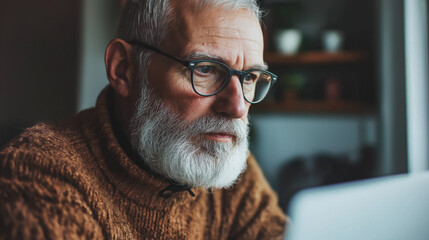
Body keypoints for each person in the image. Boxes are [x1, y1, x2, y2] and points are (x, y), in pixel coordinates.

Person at [0, 0, 287, 239]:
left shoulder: (226, 164)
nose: (237, 107)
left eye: (249, 77)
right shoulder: (40, 170)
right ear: (124, 68)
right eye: (205, 69)